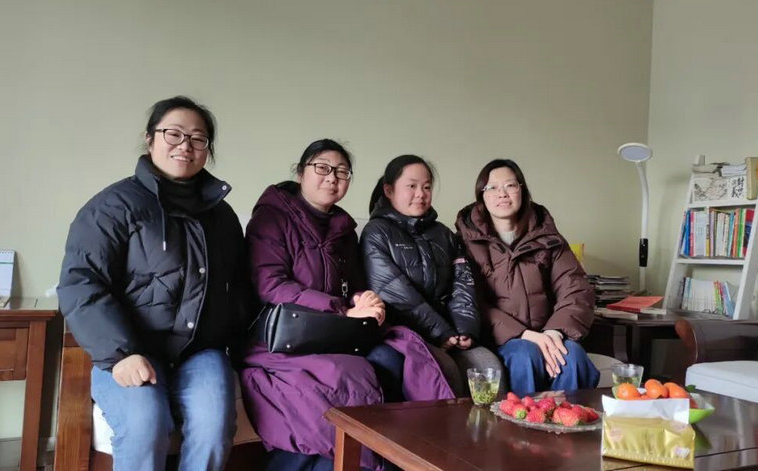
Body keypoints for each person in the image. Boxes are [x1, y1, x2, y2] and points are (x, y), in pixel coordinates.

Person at [240, 139, 453, 471]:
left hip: (335, 332)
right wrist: (341, 309)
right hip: (286, 337)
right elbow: (271, 285)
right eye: (322, 168)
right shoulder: (271, 219)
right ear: (300, 173)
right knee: (341, 379)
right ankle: (351, 459)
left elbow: (354, 286)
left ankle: (419, 453)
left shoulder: (344, 229)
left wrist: (363, 299)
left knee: (401, 354)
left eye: (341, 171)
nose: (332, 177)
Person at [57, 96, 246, 470]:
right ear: (150, 138)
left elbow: (239, 287)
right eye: (174, 134)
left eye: (198, 138)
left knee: (214, 427)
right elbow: (81, 283)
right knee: (146, 425)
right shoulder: (113, 206)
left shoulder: (222, 216)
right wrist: (119, 354)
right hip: (131, 348)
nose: (185, 146)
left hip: (199, 351)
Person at [455, 159, 599, 396]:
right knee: (525, 354)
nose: (502, 194)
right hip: (500, 339)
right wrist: (523, 334)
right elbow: (471, 302)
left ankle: (569, 419)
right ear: (482, 196)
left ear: (522, 189)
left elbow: (576, 288)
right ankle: (520, 420)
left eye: (510, 185)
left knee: (571, 355)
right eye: (492, 188)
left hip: (549, 332)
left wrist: (554, 332)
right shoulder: (465, 243)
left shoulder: (549, 237)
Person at [360, 155, 502, 396]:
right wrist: (440, 332)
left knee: (488, 365)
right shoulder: (376, 233)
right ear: (389, 190)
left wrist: (464, 329)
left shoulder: (444, 234)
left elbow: (462, 284)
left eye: (426, 187)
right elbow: (395, 292)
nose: (421, 194)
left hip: (447, 332)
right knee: (443, 368)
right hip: (401, 330)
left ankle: (488, 423)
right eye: (411, 186)